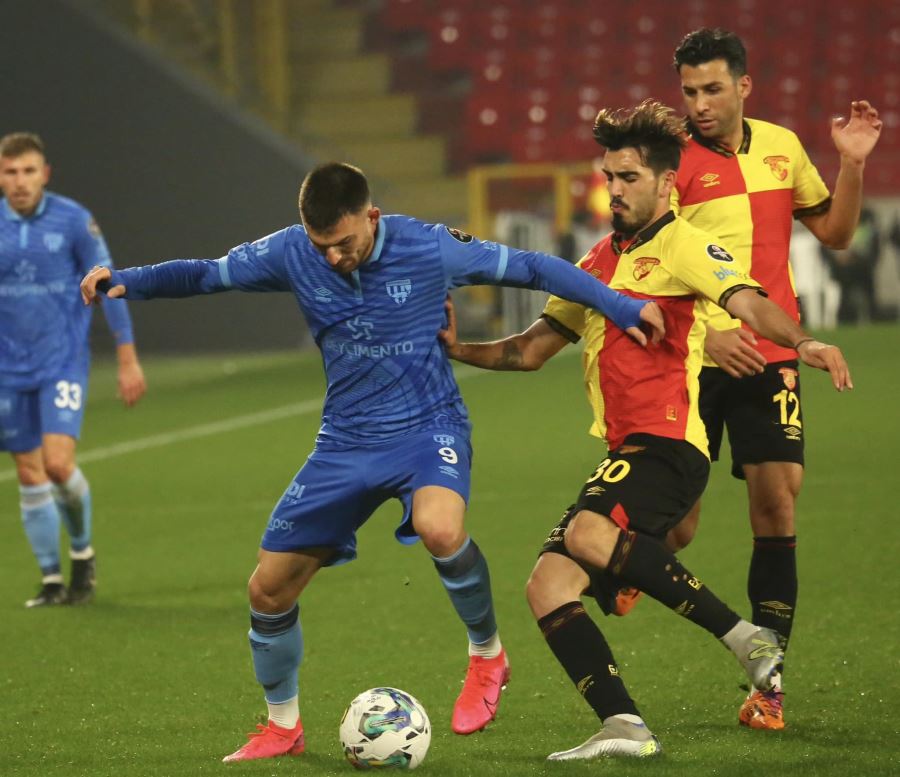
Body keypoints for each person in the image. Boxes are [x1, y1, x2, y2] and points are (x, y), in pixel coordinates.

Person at [79, 161, 665, 763]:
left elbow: (536, 267)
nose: (333, 258)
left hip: (428, 427)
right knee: (268, 589)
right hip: (345, 440)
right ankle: (283, 726)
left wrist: (621, 307)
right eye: (322, 247)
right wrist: (129, 281)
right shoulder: (290, 251)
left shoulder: (429, 246)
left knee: (441, 527)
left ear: (372, 217)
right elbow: (208, 274)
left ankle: (487, 656)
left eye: (344, 243)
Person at [439, 100, 852, 760]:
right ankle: (624, 724)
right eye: (609, 176)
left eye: (629, 177)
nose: (615, 188)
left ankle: (746, 638)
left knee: (588, 533)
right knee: (548, 586)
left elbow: (748, 300)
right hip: (625, 449)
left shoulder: (684, 244)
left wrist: (801, 342)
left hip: (670, 443)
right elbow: (532, 349)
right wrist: (458, 349)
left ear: (665, 182)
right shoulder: (596, 261)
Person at [668, 28, 881, 729]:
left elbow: (837, 234)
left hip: (771, 351)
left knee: (777, 504)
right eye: (690, 91)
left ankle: (769, 686)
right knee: (677, 528)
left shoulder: (783, 148)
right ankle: (618, 562)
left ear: (743, 86)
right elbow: (650, 264)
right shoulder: (670, 163)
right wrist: (710, 330)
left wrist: (851, 164)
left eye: (712, 89)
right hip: (692, 358)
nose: (700, 104)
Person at [0, 132, 146, 608]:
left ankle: (82, 553)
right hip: (8, 369)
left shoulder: (73, 221)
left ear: (44, 174)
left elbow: (109, 285)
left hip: (60, 362)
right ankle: (50, 580)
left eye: (28, 171)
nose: (20, 181)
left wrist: (127, 357)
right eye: (10, 172)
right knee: (28, 472)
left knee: (57, 465)